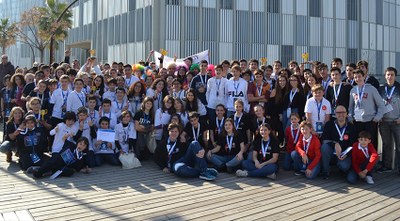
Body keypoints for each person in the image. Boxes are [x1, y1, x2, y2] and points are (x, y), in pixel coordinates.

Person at [348, 69, 385, 149]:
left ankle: (372, 161)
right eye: (355, 77)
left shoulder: (371, 89)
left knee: (371, 144)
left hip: (370, 121)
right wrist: (350, 117)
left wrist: (377, 117)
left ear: (364, 76)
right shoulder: (353, 90)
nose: (358, 79)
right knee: (358, 144)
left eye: (359, 76)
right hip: (357, 122)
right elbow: (351, 106)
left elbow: (381, 105)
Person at [320, 105, 356, 179]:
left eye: (343, 112)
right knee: (324, 147)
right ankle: (325, 171)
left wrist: (346, 154)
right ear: (335, 114)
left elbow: (353, 144)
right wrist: (335, 144)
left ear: (346, 114)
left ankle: (341, 169)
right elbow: (324, 140)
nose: (341, 114)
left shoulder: (351, 127)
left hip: (344, 154)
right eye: (338, 112)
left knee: (345, 166)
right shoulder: (329, 124)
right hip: (332, 152)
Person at [377, 67, 400, 173]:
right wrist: (379, 116)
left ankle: (399, 168)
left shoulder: (399, 88)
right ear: (385, 76)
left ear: (395, 76)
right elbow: (377, 104)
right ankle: (387, 166)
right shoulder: (380, 89)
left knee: (399, 145)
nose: (390, 77)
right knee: (387, 144)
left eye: (392, 75)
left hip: (397, 121)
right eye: (388, 75)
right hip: (384, 121)